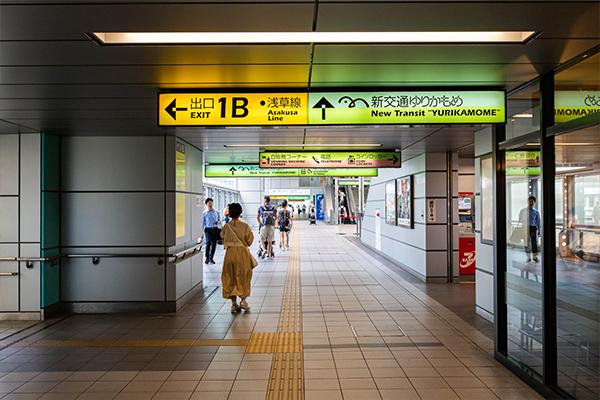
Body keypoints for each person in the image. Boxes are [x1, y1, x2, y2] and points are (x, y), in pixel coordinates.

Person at [220, 203, 256, 313]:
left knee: (230, 276)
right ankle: (243, 301)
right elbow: (249, 241)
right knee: (244, 276)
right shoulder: (245, 226)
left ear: (229, 213)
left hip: (230, 254)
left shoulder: (226, 226)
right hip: (242, 253)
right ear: (240, 212)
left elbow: (222, 239)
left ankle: (234, 304)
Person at [518, 195, 541, 263]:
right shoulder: (523, 210)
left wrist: (539, 231)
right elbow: (520, 219)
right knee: (526, 242)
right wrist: (524, 220)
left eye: (532, 202)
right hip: (525, 227)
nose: (531, 203)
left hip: (533, 228)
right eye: (529, 201)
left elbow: (538, 222)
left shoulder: (536, 212)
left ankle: (535, 257)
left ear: (534, 203)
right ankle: (528, 257)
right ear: (528, 202)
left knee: (534, 242)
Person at [203, 198, 221, 264]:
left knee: (214, 244)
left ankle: (211, 258)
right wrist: (201, 233)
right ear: (206, 204)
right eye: (209, 203)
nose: (210, 204)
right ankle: (207, 257)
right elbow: (202, 223)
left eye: (211, 203)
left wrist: (218, 222)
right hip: (208, 229)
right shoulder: (204, 213)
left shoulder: (216, 212)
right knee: (208, 243)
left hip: (215, 229)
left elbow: (219, 221)